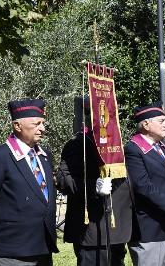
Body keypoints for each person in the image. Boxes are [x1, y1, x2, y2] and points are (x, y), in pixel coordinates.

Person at [0, 99, 58, 265]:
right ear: (17, 126)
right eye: (36, 124)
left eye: (43, 123)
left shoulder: (45, 155)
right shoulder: (1, 156)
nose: (43, 129)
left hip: (42, 248)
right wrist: (2, 223)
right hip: (13, 251)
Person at [56, 97, 132, 266]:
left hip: (116, 230)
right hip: (91, 232)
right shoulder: (78, 144)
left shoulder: (116, 144)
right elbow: (63, 180)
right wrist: (93, 187)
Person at [124, 102, 165, 266]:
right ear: (146, 124)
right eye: (161, 121)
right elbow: (143, 186)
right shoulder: (134, 149)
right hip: (149, 227)